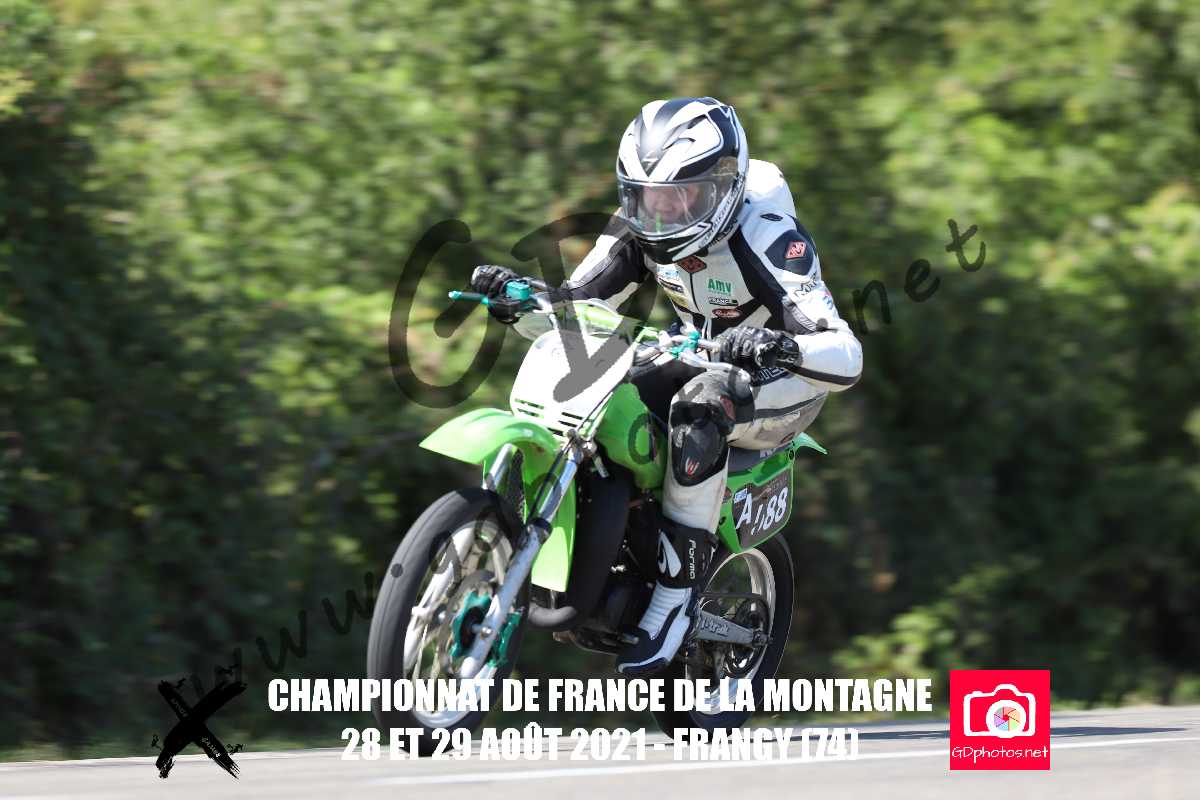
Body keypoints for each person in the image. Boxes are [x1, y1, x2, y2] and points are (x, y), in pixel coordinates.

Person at [470, 97, 863, 676]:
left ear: (724, 187)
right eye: (647, 197)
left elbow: (845, 352)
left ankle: (674, 598)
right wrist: (520, 299)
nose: (662, 213)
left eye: (683, 197)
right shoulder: (639, 226)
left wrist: (779, 345)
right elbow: (579, 308)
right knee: (608, 394)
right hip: (695, 353)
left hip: (781, 380)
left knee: (701, 406)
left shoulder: (769, 237)